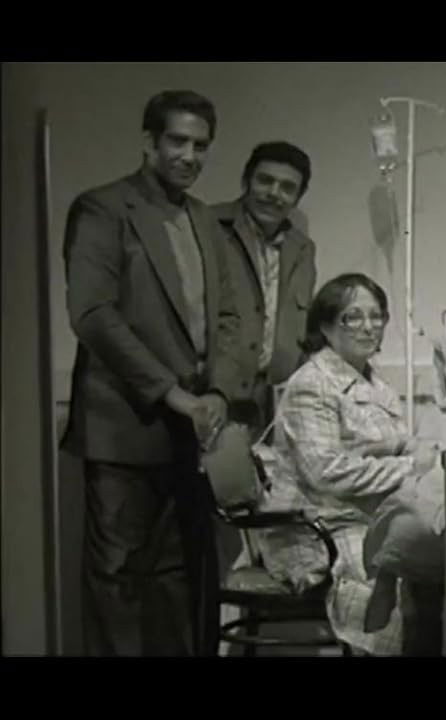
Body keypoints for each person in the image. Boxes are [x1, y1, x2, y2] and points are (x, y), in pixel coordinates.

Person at [61, 89, 242, 656]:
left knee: (178, 581)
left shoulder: (204, 219)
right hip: (124, 428)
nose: (189, 156)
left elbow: (229, 318)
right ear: (149, 141)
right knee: (118, 579)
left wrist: (218, 390)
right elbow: (92, 314)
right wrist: (169, 392)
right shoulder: (103, 209)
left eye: (200, 146)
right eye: (177, 141)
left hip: (191, 436)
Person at [254, 273, 437, 655]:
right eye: (353, 317)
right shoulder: (311, 384)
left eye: (376, 316)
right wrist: (410, 468)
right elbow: (326, 472)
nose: (368, 326)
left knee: (440, 557)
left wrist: (421, 450)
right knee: (385, 573)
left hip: (366, 514)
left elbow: (400, 440)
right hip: (316, 524)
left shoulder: (375, 383)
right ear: (325, 326)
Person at [214, 141, 318, 433]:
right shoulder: (210, 227)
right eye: (265, 181)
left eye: (287, 187)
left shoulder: (303, 249)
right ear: (246, 181)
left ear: (298, 197)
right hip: (215, 393)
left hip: (272, 402)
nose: (274, 193)